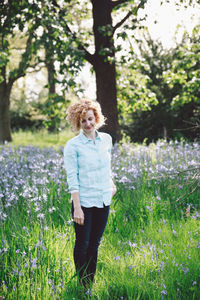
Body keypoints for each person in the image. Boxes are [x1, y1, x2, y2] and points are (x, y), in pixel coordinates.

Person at [63, 99, 116, 288]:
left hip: (103, 200)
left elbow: (105, 166)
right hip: (83, 203)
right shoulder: (73, 146)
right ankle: (81, 283)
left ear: (97, 118)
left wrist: (111, 184)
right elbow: (72, 177)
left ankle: (89, 284)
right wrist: (77, 207)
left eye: (90, 119)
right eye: (83, 121)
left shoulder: (106, 140)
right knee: (83, 244)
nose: (88, 124)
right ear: (78, 123)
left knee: (94, 245)